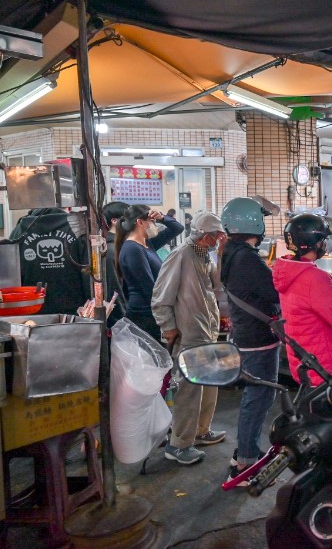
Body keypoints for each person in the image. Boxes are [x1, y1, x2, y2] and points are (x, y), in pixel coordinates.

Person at [152, 212, 227, 466]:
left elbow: (216, 286)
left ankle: (201, 431)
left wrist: (221, 253)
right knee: (189, 391)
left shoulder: (204, 253)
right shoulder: (181, 255)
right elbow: (160, 299)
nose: (219, 240)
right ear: (206, 236)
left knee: (209, 384)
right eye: (217, 236)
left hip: (206, 331)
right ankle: (179, 444)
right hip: (189, 334)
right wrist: (169, 327)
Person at [220, 198, 281, 484]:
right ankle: (245, 461)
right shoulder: (246, 257)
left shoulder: (233, 252)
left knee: (255, 397)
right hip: (257, 339)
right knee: (258, 398)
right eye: (262, 218)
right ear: (251, 222)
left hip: (247, 336)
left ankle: (245, 452)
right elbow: (274, 292)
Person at [273, 213, 332, 385]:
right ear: (315, 243)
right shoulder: (315, 278)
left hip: (304, 364)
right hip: (325, 368)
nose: (324, 245)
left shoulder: (286, 272)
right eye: (322, 241)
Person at [115, 205, 184, 342]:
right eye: (152, 221)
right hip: (143, 315)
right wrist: (165, 317)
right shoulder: (133, 249)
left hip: (150, 312)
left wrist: (162, 217)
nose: (155, 225)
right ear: (140, 222)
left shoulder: (147, 244)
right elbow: (148, 287)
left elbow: (178, 228)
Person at [10, 208, 89, 315]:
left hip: (30, 312)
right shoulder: (77, 228)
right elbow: (89, 274)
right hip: (74, 314)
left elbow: (11, 275)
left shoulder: (19, 231)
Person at [103, 201, 130, 326]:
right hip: (121, 318)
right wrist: (122, 319)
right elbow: (115, 289)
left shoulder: (121, 245)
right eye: (129, 218)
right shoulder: (111, 250)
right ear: (114, 221)